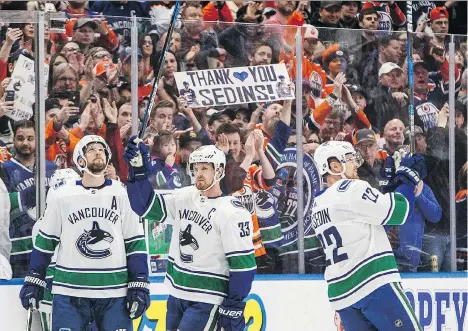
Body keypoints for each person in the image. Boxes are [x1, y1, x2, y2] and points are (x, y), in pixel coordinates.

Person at [19, 135, 149, 331]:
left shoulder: (122, 193)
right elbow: (46, 241)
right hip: (70, 292)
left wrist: (139, 281)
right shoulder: (62, 196)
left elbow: (135, 242)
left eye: (102, 150)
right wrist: (35, 277)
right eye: (92, 149)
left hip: (114, 292)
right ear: (80, 160)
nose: (98, 152)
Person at [123, 139, 256, 331]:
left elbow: (243, 266)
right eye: (196, 168)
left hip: (208, 297)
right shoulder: (185, 196)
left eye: (205, 168)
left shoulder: (232, 212)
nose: (199, 174)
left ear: (219, 171)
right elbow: (145, 207)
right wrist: (138, 173)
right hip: (177, 293)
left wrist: (234, 304)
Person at [312, 141, 423, 330]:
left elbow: (374, 222)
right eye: (349, 159)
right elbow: (399, 212)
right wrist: (406, 179)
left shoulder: (318, 205)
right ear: (335, 166)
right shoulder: (351, 188)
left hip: (342, 296)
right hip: (373, 284)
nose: (356, 164)